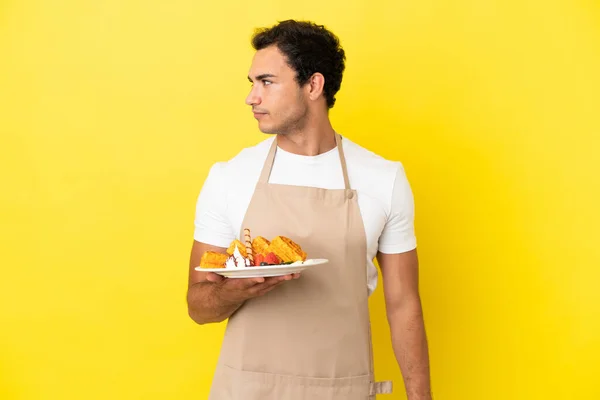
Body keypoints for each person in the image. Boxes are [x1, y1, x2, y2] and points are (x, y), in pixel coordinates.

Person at [186, 19, 432, 400]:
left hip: (342, 387)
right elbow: (199, 307)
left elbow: (403, 307)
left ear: (313, 85)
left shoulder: (384, 179)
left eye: (266, 82)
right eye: (252, 84)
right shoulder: (229, 177)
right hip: (247, 390)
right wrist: (236, 291)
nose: (252, 97)